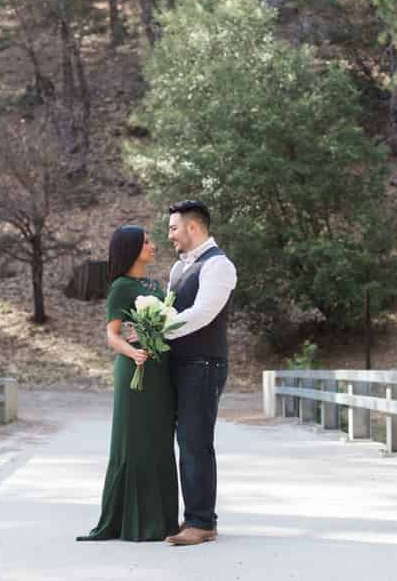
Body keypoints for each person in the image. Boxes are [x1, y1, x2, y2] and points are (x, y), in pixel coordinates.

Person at [77, 225, 180, 543]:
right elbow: (111, 334)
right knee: (134, 441)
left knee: (160, 442)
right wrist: (133, 351)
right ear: (132, 248)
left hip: (160, 371)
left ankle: (163, 521)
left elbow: (168, 322)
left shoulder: (153, 284)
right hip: (134, 370)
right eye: (146, 242)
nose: (153, 245)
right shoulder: (120, 287)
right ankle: (132, 521)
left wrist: (157, 332)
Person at [161, 200, 237, 547]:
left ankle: (201, 522)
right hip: (179, 364)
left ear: (193, 227)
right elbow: (169, 310)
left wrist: (160, 331)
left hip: (204, 365)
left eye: (174, 227)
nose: (170, 235)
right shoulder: (179, 268)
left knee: (195, 442)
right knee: (186, 442)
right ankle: (197, 514)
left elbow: (203, 313)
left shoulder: (218, 265)